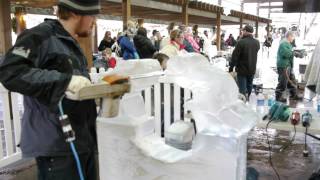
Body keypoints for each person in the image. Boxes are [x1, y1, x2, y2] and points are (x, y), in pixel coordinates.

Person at [0, 0, 100, 179]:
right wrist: (64, 81)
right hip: (57, 143)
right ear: (76, 13)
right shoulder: (39, 36)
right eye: (92, 15)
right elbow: (10, 72)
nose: (94, 21)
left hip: (83, 139)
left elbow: (74, 88)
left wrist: (95, 94)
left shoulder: (71, 42)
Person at [229, 25, 260, 100]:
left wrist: (231, 67)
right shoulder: (257, 42)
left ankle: (242, 105)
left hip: (242, 69)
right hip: (252, 68)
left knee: (242, 89)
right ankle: (248, 100)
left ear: (245, 31)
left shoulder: (241, 42)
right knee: (249, 86)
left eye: (243, 31)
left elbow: (235, 56)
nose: (242, 32)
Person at [275, 31, 301, 102]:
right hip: (284, 65)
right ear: (289, 36)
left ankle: (293, 94)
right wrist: (294, 53)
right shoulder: (283, 43)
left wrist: (297, 52)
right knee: (283, 81)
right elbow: (285, 53)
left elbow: (290, 51)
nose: (293, 38)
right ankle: (278, 96)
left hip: (288, 65)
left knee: (292, 80)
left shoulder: (288, 43)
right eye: (293, 37)